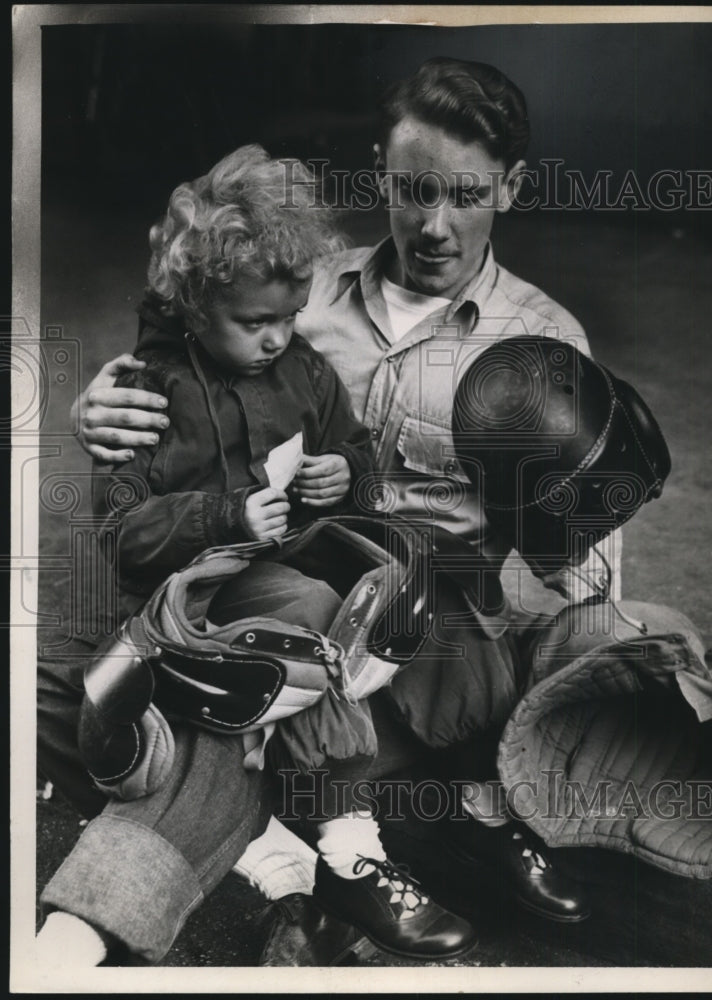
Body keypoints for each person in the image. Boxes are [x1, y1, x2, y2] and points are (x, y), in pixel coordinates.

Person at [64, 57, 609, 941]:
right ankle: (336, 857)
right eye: (413, 189)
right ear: (381, 173)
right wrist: (96, 405)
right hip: (288, 616)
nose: (434, 225)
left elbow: (575, 551)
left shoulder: (546, 345)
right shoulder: (294, 287)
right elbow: (179, 348)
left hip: (430, 638)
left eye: (466, 195)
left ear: (511, 187)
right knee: (237, 703)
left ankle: (469, 813)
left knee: (429, 661)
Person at [36, 144, 476, 967]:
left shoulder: (305, 373)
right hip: (177, 604)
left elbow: (359, 465)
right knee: (56, 687)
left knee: (307, 622)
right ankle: (272, 836)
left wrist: (346, 471)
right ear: (196, 304)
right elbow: (123, 533)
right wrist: (222, 513)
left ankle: (335, 845)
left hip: (277, 604)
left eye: (290, 316)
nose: (277, 338)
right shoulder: (148, 388)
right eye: (254, 322)